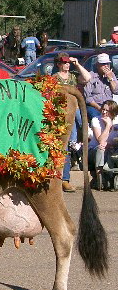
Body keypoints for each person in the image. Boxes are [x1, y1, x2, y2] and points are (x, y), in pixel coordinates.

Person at [53, 52, 92, 192]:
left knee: (73, 143)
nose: (67, 65)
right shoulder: (54, 78)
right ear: (58, 64)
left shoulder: (73, 77)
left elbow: (87, 78)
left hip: (75, 110)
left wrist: (77, 64)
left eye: (68, 62)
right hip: (62, 114)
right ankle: (63, 179)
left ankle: (67, 177)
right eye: (64, 62)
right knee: (65, 146)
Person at [89, 100, 118, 190]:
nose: (104, 112)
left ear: (113, 112)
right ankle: (100, 179)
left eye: (107, 110)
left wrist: (110, 144)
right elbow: (100, 140)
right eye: (103, 109)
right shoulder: (96, 120)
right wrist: (108, 126)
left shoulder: (117, 121)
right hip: (94, 150)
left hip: (111, 149)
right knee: (101, 149)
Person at [84, 53, 118, 121]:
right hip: (95, 106)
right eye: (103, 64)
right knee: (97, 119)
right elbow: (88, 98)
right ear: (97, 65)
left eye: (107, 64)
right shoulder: (91, 76)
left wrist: (110, 79)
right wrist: (100, 108)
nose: (106, 66)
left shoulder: (111, 75)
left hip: (109, 105)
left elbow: (116, 91)